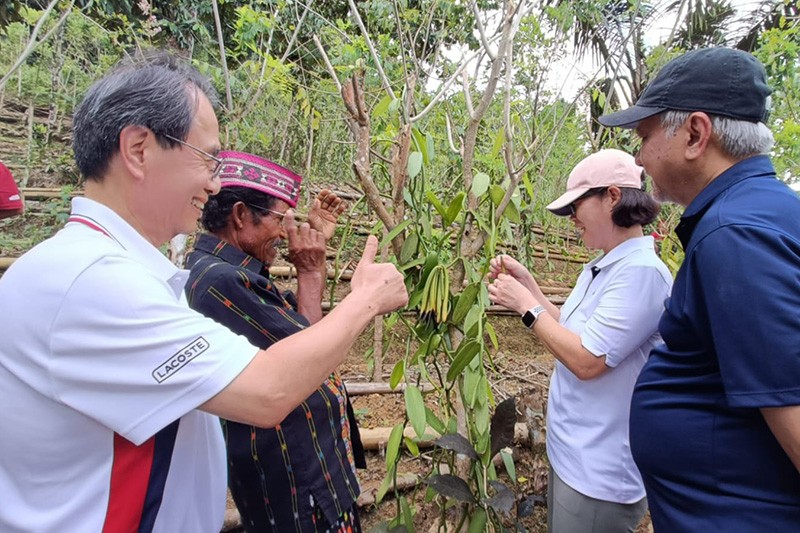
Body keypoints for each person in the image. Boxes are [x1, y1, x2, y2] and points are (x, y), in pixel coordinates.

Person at [0, 51, 407, 532]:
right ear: (138, 150)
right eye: (209, 158)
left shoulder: (111, 273)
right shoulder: (91, 283)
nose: (215, 183)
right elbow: (270, 389)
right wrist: (366, 299)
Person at [599, 47, 800, 529]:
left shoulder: (736, 236)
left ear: (695, 134)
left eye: (644, 137)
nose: (639, 157)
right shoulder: (765, 210)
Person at [487, 149, 672, 532]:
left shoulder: (641, 274)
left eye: (576, 206)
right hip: (572, 451)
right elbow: (572, 330)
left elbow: (588, 360)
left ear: (613, 197)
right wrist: (529, 287)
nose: (572, 218)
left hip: (598, 471)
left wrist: (525, 306)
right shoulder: (603, 266)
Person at [184, 151, 365, 532]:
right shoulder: (222, 282)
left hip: (307, 476)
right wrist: (315, 274)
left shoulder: (232, 272)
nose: (284, 233)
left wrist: (313, 258)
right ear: (240, 215)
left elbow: (298, 333)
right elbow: (311, 354)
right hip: (296, 483)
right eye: (279, 219)